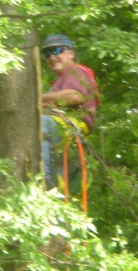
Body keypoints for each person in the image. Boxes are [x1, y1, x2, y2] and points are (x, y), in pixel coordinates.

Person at [41, 34, 98, 190]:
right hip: (67, 141)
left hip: (69, 131)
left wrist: (38, 98)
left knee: (38, 123)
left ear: (71, 53)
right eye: (47, 54)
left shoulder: (74, 71)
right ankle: (47, 189)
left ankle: (42, 179)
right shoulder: (59, 82)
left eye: (57, 51)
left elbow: (76, 96)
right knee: (58, 189)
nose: (52, 57)